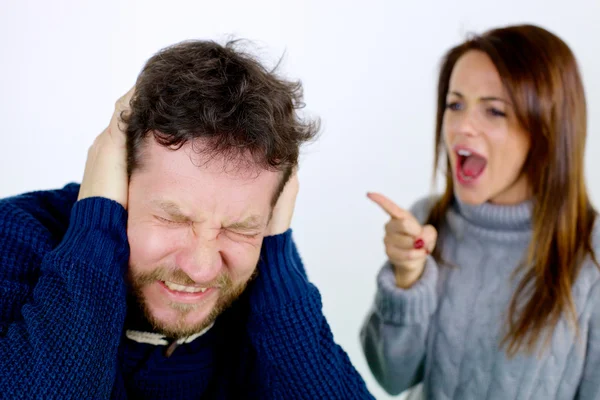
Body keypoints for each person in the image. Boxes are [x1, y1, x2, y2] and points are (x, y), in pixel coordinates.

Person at [0, 40, 374, 399]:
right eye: (173, 218)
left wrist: (275, 249)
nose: (201, 268)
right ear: (115, 182)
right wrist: (97, 225)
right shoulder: (16, 234)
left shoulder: (266, 275)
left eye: (238, 228)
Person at [361, 24, 600, 399]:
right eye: (455, 104)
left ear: (548, 127)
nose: (461, 127)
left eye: (494, 111)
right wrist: (408, 276)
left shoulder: (593, 252)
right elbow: (391, 377)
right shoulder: (426, 221)